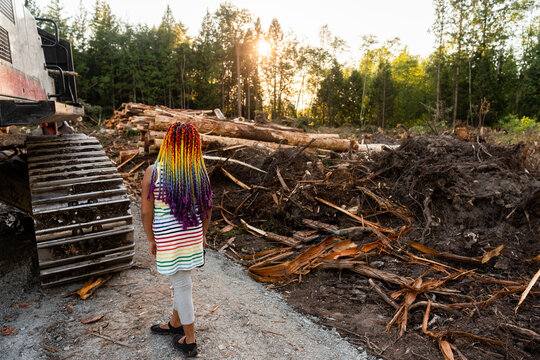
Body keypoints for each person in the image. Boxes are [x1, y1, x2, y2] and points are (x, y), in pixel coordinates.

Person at [141, 122, 212, 357]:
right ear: (194, 144)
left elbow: (145, 212)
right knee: (181, 280)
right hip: (191, 235)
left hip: (169, 238)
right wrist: (202, 235)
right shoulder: (198, 172)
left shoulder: (154, 172)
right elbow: (207, 209)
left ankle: (189, 340)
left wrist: (151, 239)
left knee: (182, 284)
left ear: (168, 143)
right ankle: (175, 323)